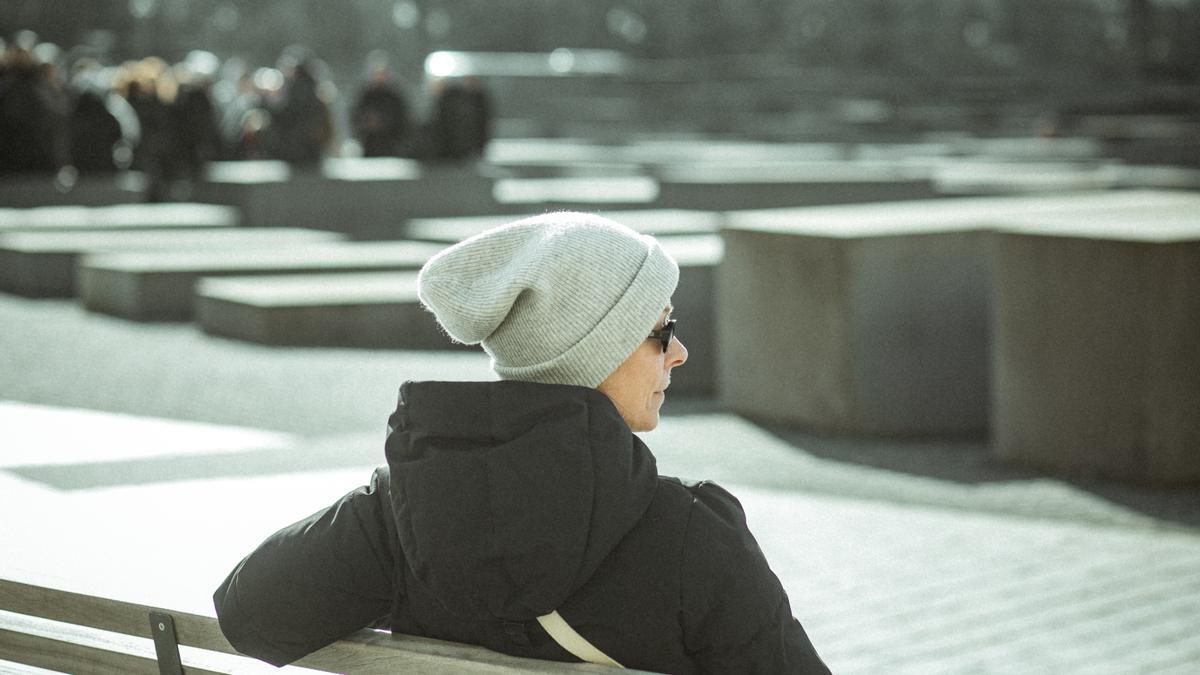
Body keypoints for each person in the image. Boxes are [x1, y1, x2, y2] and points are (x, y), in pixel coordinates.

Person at [212, 212, 830, 674]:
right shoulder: (690, 533)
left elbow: (248, 618)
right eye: (661, 330)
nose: (680, 352)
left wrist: (387, 505)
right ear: (596, 351)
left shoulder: (404, 516)